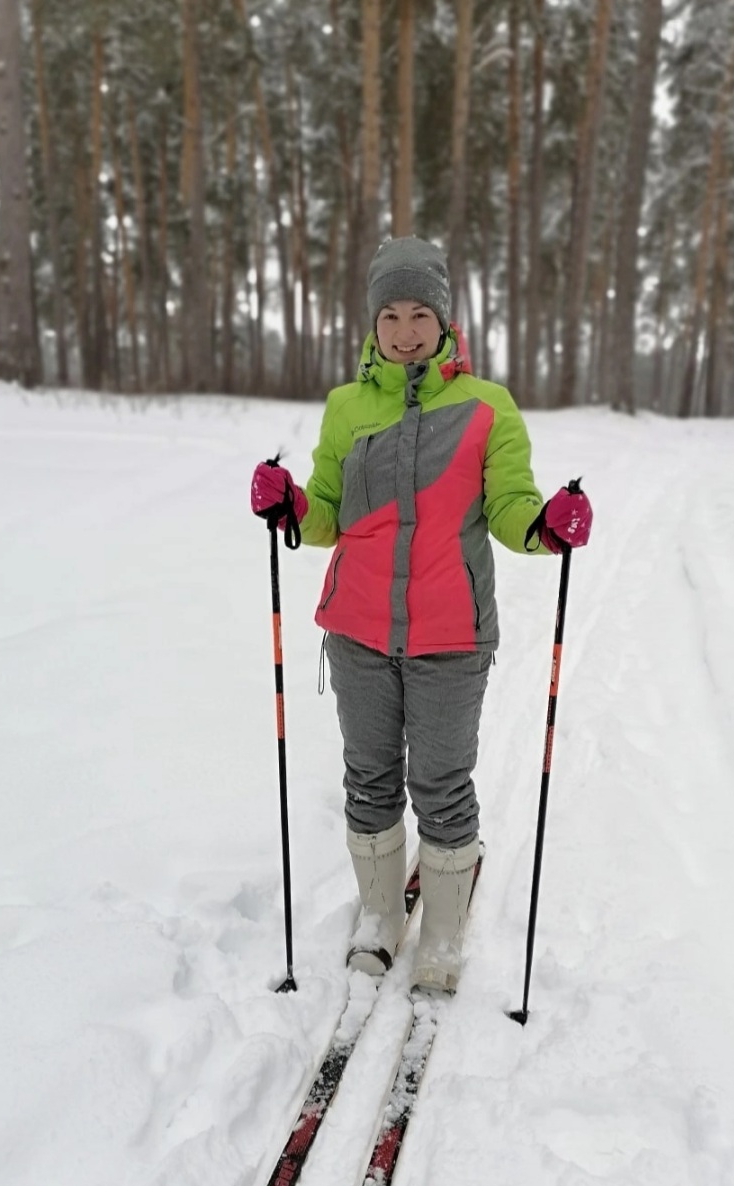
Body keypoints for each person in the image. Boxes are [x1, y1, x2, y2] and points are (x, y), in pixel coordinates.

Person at [251, 235, 591, 994]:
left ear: (445, 322)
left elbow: (509, 507)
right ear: (372, 325)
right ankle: (379, 917)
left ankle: (440, 932)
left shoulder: (485, 408)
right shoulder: (347, 407)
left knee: (441, 780)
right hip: (358, 631)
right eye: (390, 315)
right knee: (368, 777)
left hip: (450, 633)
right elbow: (327, 516)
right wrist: (290, 506)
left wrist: (546, 526)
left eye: (420, 314)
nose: (405, 330)